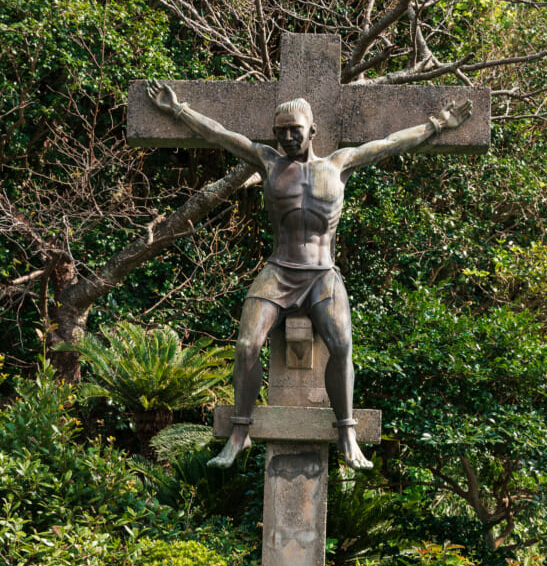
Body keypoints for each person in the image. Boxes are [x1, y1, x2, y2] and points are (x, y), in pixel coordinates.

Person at [146, 81, 471, 469]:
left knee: (343, 345)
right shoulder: (267, 161)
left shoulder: (339, 164)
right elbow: (220, 134)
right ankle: (240, 433)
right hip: (279, 270)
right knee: (246, 346)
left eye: (294, 130)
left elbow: (391, 143)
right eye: (280, 131)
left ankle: (346, 434)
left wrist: (437, 124)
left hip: (322, 274)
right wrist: (177, 110)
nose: (286, 137)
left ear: (312, 130)